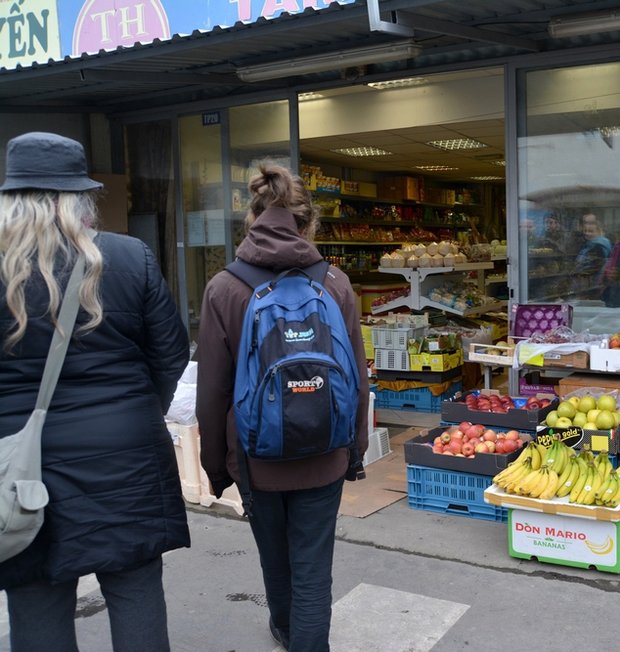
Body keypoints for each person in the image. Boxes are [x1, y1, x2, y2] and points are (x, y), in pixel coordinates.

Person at [0, 132, 190, 650]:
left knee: (36, 596)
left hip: (23, 464)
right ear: (80, 197)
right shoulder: (129, 257)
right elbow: (172, 354)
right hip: (126, 458)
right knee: (135, 588)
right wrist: (137, 410)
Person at [196, 163, 369, 652]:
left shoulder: (224, 288)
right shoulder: (334, 283)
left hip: (257, 457)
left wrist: (217, 466)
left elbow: (212, 391)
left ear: (251, 219)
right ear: (308, 223)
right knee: (313, 570)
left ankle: (285, 629)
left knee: (275, 560)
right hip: (326, 453)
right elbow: (357, 378)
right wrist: (353, 452)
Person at [574, 213, 612, 291]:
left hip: (593, 284)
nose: (587, 233)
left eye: (591, 231)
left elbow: (593, 267)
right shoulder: (590, 244)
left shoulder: (598, 246)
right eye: (585, 231)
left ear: (598, 231)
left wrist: (580, 274)